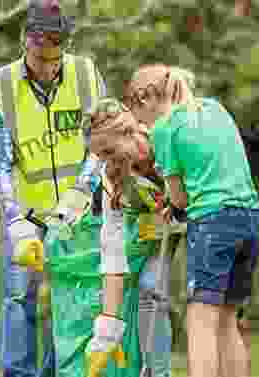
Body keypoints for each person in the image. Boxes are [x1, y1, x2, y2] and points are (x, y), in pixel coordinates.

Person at [0, 1, 107, 376]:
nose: (48, 67)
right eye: (39, 57)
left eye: (55, 57)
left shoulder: (85, 75)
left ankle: (58, 371)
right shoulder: (1, 88)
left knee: (70, 299)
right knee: (20, 297)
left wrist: (83, 192)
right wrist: (15, 221)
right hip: (27, 214)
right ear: (26, 44)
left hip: (75, 213)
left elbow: (101, 142)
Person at [118, 64, 259, 377]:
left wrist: (173, 206)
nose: (141, 124)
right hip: (250, 219)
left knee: (200, 321)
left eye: (137, 114)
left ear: (145, 99)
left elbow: (180, 198)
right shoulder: (214, 108)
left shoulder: (164, 129)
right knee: (227, 320)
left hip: (214, 224)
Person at [85, 98, 186, 377]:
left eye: (107, 151)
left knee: (204, 300)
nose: (105, 162)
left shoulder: (166, 139)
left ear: (127, 132)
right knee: (149, 287)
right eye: (100, 155)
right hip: (160, 231)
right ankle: (156, 372)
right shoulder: (112, 179)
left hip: (201, 220)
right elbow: (112, 254)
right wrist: (106, 331)